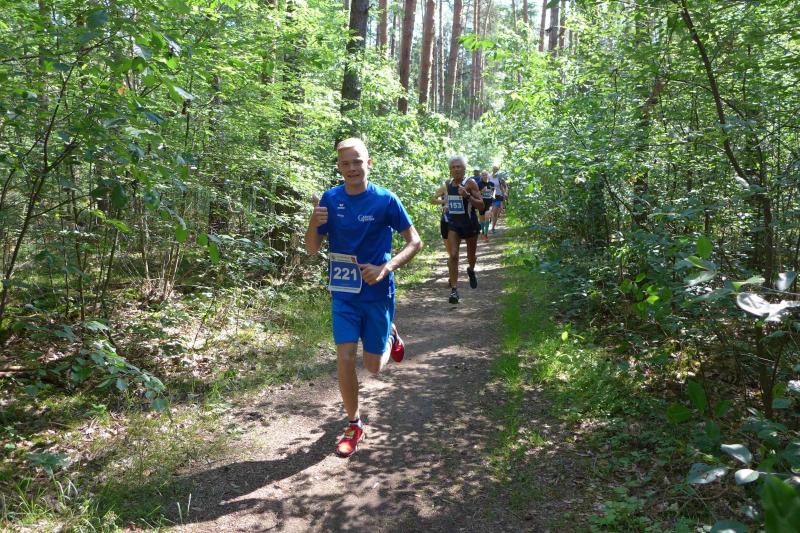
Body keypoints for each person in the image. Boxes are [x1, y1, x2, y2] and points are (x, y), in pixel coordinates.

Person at [305, 137, 423, 458]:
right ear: (339, 167)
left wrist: (386, 267)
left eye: (357, 161)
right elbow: (312, 248)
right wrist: (313, 223)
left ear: (368, 163)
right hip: (343, 294)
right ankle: (354, 424)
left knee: (373, 367)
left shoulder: (385, 200)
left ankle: (389, 336)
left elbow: (415, 242)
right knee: (344, 357)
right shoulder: (330, 199)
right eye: (345, 163)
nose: (352, 168)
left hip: (377, 292)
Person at [431, 156, 484, 304]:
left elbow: (481, 205)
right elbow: (434, 198)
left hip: (470, 224)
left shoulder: (470, 183)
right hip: (454, 224)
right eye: (453, 167)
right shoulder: (448, 184)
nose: (456, 169)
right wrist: (445, 203)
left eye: (458, 166)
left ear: (464, 168)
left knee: (471, 256)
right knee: (453, 255)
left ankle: (471, 270)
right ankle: (454, 290)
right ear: (450, 170)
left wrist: (467, 196)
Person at [476, 170, 495, 241]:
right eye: (483, 175)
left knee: (487, 216)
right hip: (481, 203)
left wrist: (493, 201)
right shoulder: (479, 184)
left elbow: (493, 194)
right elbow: (476, 194)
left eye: (486, 174)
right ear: (481, 176)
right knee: (482, 219)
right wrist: (482, 191)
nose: (485, 176)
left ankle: (485, 234)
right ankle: (483, 231)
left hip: (489, 203)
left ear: (488, 175)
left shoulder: (492, 184)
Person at [490, 165, 508, 234]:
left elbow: (505, 186)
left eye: (497, 169)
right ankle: (491, 221)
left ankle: (493, 228)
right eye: (494, 169)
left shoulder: (500, 178)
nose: (495, 170)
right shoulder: (489, 177)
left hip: (498, 196)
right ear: (492, 169)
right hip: (490, 196)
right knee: (491, 212)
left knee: (495, 212)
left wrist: (505, 193)